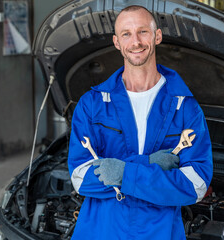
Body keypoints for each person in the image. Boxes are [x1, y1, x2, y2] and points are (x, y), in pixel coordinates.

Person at [68, 5, 213, 240]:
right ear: (117, 42)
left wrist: (124, 174)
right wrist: (147, 164)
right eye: (126, 34)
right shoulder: (92, 104)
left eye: (143, 32)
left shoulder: (185, 107)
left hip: (160, 231)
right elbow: (80, 178)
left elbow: (195, 185)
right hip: (101, 230)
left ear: (157, 36)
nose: (135, 42)